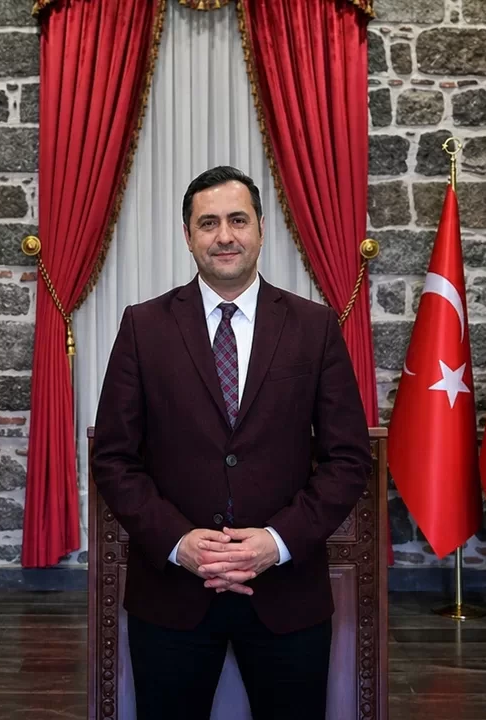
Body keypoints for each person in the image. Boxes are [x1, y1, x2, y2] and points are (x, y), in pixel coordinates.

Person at [90, 165, 373, 720]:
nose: (225, 236)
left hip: (287, 593)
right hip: (171, 595)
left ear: (262, 229)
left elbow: (348, 458)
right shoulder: (143, 327)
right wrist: (178, 542)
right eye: (209, 223)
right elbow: (114, 459)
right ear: (188, 235)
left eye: (238, 220)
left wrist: (277, 541)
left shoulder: (314, 327)